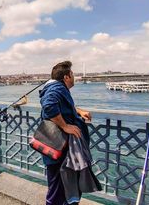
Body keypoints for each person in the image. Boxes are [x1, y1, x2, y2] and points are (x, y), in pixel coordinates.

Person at [39, 61, 98, 205]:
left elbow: (60, 105)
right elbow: (49, 106)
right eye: (72, 74)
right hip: (60, 146)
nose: (74, 77)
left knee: (62, 187)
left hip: (57, 145)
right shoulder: (57, 88)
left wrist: (78, 111)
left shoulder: (55, 87)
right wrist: (65, 126)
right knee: (58, 189)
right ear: (66, 77)